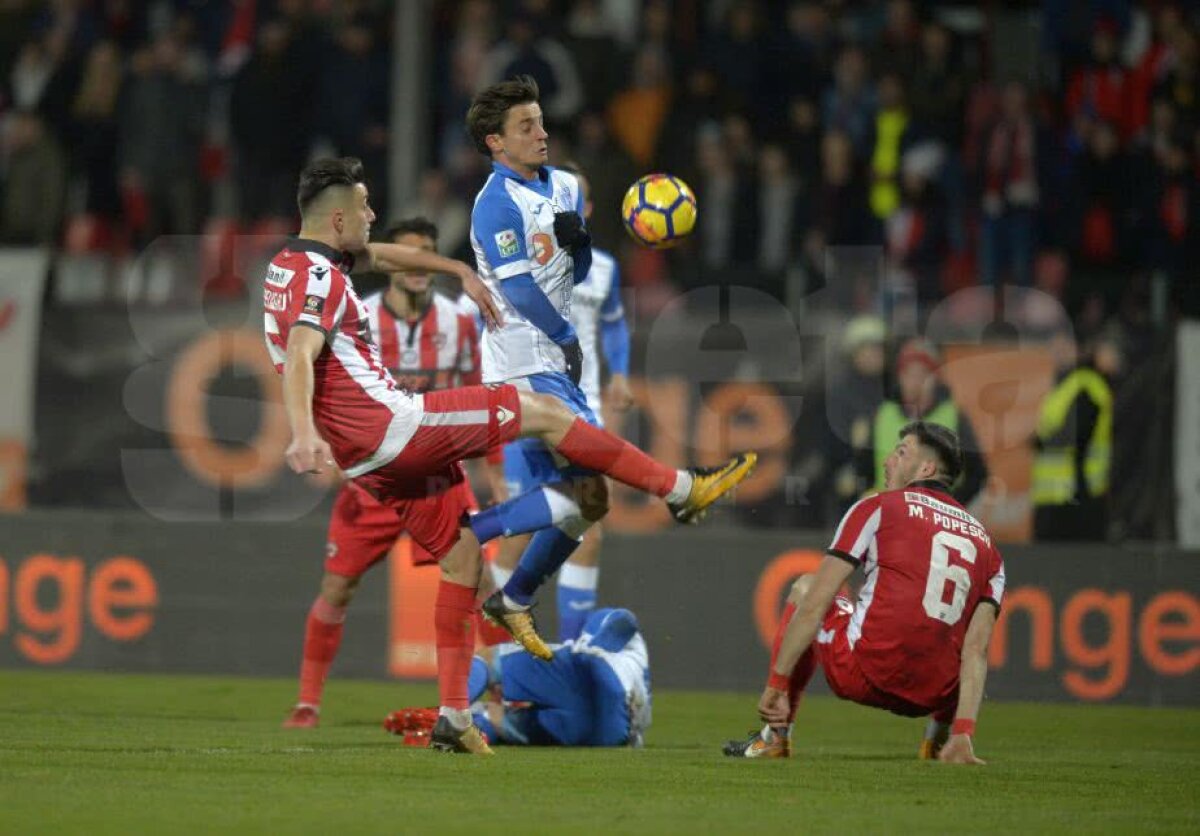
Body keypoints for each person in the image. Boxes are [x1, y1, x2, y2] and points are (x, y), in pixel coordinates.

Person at [264, 157, 754, 753]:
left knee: (463, 559)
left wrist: (455, 271)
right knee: (544, 413)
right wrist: (299, 431)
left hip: (367, 459)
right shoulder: (319, 276)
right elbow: (299, 349)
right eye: (366, 207)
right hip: (394, 428)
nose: (374, 216)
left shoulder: (295, 265)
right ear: (338, 217)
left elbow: (385, 258)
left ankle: (454, 717)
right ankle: (680, 489)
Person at [460, 76, 752, 651]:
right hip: (520, 362)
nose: (542, 133)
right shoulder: (495, 205)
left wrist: (580, 242)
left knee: (591, 500)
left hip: (556, 363)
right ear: (495, 142)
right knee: (587, 466)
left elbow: (580, 263)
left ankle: (504, 585)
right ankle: (680, 489)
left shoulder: (566, 186)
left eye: (541, 121)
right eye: (526, 127)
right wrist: (567, 336)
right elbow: (518, 290)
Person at [281, 216, 503, 729]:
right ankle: (308, 702)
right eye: (410, 253)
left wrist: (496, 473)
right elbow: (319, 376)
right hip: (373, 481)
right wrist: (326, 442)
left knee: (483, 582)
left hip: (435, 474)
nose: (418, 264)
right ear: (393, 265)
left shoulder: (460, 323)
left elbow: (475, 392)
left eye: (427, 251)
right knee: (338, 588)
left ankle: (501, 700)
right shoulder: (357, 314)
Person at [724, 422, 1005, 764]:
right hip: (931, 695)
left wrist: (777, 684)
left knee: (807, 587)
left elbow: (815, 605)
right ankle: (942, 744)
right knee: (955, 637)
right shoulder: (988, 547)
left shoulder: (877, 508)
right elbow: (978, 648)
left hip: (863, 674)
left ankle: (774, 737)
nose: (888, 461)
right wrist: (964, 730)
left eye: (901, 453)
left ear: (926, 468)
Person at [489, 161, 633, 641]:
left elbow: (612, 322)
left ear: (586, 207)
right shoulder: (522, 255)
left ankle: (571, 653)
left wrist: (621, 374)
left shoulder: (604, 267)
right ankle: (496, 657)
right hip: (530, 401)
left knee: (590, 522)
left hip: (583, 402)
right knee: (524, 530)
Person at [385, 607, 651, 748]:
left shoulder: (611, 650)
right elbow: (623, 621)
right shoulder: (636, 659)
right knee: (497, 721)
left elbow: (620, 619)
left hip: (581, 675)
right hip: (612, 733)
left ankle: (451, 716)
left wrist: (588, 647)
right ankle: (458, 725)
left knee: (487, 661)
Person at [861, 338, 988, 507]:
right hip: (889, 516)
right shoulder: (883, 415)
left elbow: (978, 473)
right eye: (909, 374)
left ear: (935, 378)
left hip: (937, 523)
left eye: (923, 374)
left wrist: (950, 507)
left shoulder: (953, 416)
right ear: (900, 377)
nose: (916, 381)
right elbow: (863, 467)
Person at [1031, 331, 1115, 542]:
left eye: (1063, 347)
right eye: (1054, 347)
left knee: (1074, 567)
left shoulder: (1085, 384)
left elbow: (1075, 434)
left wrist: (1042, 442)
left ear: (1078, 350)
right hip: (1056, 497)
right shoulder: (1063, 386)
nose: (1056, 353)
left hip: (1075, 495)